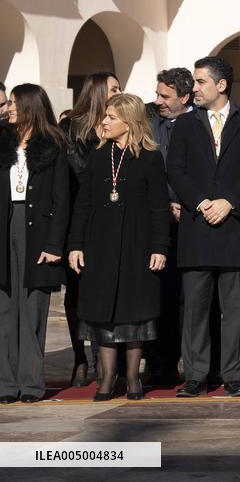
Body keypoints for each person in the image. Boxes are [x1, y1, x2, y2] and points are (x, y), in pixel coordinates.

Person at [167, 56, 240, 398]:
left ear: (221, 85)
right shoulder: (184, 124)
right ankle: (196, 374)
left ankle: (234, 374)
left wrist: (230, 201)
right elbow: (176, 170)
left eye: (201, 82)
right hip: (197, 226)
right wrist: (200, 202)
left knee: (235, 309)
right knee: (195, 309)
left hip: (236, 227)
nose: (194, 88)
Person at [67, 94, 169, 401]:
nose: (104, 122)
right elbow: (83, 204)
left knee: (134, 311)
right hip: (100, 244)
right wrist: (75, 245)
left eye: (111, 117)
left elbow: (159, 208)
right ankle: (108, 377)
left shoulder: (150, 158)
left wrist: (160, 247)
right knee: (103, 311)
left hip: (137, 246)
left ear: (129, 121)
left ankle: (133, 377)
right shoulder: (99, 156)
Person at [0, 84, 70, 404]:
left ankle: (30, 383)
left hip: (38, 231)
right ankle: (5, 384)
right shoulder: (2, 141)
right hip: (4, 228)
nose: (9, 108)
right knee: (4, 309)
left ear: (30, 106)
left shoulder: (53, 145)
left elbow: (61, 199)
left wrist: (54, 244)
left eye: (14, 102)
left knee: (33, 310)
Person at [59, 71, 122, 387]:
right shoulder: (71, 128)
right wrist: (102, 144)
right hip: (79, 220)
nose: (118, 92)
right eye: (113, 88)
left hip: (113, 220)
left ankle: (105, 358)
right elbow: (81, 172)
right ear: (97, 92)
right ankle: (80, 358)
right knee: (76, 291)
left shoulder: (122, 126)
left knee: (107, 289)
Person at [144, 68, 193, 387]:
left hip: (191, 223)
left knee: (186, 299)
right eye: (157, 94)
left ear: (185, 97)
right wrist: (164, 206)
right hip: (157, 223)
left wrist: (186, 204)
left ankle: (186, 360)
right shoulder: (152, 125)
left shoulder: (199, 125)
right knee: (157, 296)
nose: (158, 101)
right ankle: (157, 362)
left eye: (166, 96)